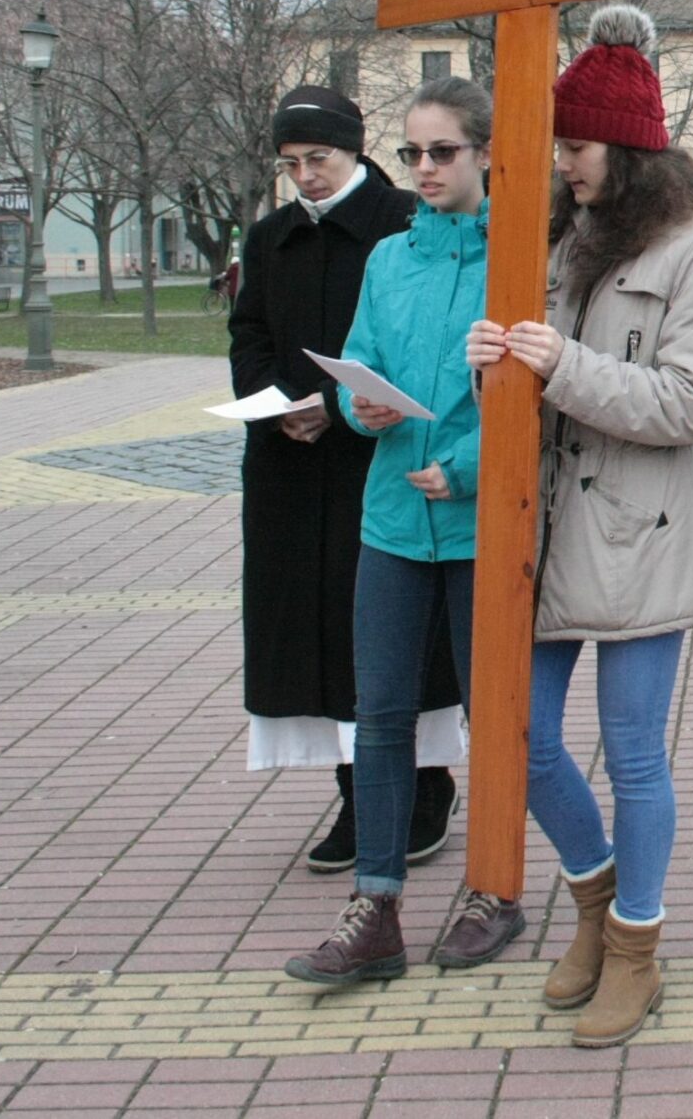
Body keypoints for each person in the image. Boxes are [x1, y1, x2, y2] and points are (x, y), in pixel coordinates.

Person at [463, 5, 693, 1048]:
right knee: (522, 734)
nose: (562, 163)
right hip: (546, 528)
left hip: (641, 526)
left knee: (632, 748)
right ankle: (592, 899)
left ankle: (636, 945)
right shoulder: (564, 236)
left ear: (622, 147)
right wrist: (492, 359)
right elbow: (535, 369)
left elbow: (687, 406)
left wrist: (556, 364)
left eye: (575, 145)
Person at [285, 76, 512, 986]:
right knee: (378, 715)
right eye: (411, 152)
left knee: (494, 715)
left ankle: (494, 890)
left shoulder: (519, 259)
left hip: (476, 522)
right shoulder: (389, 258)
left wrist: (464, 464)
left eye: (443, 152)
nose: (423, 168)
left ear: (487, 153)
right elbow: (361, 361)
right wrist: (357, 403)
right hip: (390, 518)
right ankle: (374, 907)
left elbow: (528, 392)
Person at [231, 88, 462, 873]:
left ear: (355, 151)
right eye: (291, 165)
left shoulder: (405, 222)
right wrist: (272, 407)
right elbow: (250, 330)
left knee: (392, 642)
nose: (306, 177)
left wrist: (337, 403)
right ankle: (354, 794)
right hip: (292, 472)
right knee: (318, 640)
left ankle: (421, 790)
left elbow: (408, 343)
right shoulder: (271, 236)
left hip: (381, 461)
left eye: (319, 160)